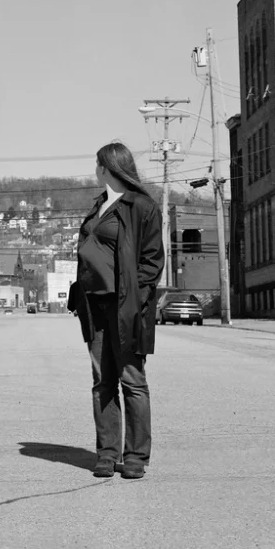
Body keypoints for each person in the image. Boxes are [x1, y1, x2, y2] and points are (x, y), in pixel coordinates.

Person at [67, 142, 164, 479]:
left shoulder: (142, 207)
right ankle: (107, 454)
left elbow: (152, 262)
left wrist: (136, 299)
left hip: (126, 308)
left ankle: (136, 456)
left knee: (131, 379)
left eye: (97, 166)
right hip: (94, 306)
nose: (95, 171)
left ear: (108, 167)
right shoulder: (98, 206)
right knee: (102, 381)